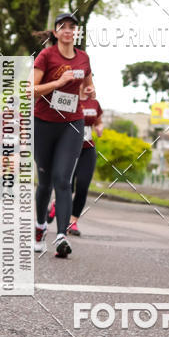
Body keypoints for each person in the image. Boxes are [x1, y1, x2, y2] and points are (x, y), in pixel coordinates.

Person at [31, 12, 94, 258]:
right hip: (44, 123)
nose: (68, 30)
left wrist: (89, 90)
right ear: (56, 32)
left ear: (76, 32)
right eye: (63, 26)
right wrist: (58, 83)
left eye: (72, 27)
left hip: (72, 123)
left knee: (63, 180)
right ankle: (40, 228)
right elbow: (30, 90)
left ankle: (61, 236)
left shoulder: (84, 58)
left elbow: (88, 86)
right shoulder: (46, 56)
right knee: (45, 182)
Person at [66, 89, 103, 236]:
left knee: (82, 186)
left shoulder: (94, 103)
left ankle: (73, 222)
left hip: (87, 149)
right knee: (67, 186)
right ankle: (56, 204)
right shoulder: (68, 98)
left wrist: (99, 129)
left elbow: (99, 122)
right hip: (69, 148)